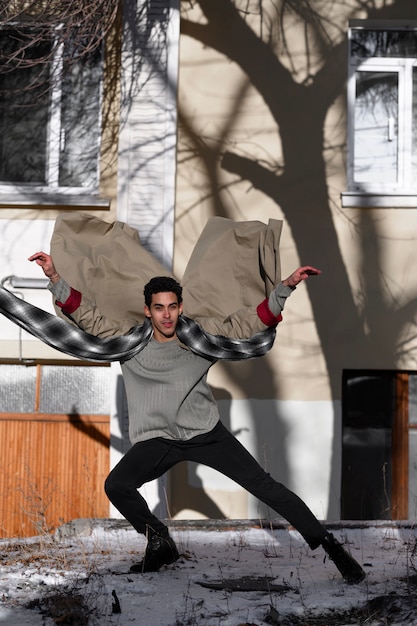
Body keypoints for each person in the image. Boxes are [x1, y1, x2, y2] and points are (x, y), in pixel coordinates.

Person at [29, 251, 365, 584]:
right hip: (160, 438)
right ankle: (160, 541)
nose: (166, 315)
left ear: (180, 307)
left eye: (172, 307)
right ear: (148, 310)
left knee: (266, 487)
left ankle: (331, 547)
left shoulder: (199, 340)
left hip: (205, 433)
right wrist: (54, 278)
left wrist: (285, 287)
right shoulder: (129, 342)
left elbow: (246, 322)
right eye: (159, 308)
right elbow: (88, 317)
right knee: (117, 485)